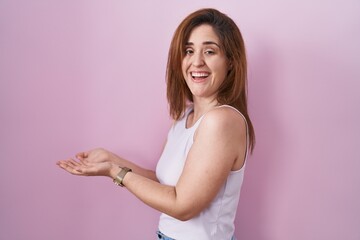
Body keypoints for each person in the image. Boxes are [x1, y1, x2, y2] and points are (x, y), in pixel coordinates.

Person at [57, 8, 255, 240]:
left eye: (210, 51)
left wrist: (114, 171)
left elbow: (183, 206)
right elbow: (165, 184)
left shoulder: (222, 121)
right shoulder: (185, 118)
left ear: (230, 61)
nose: (197, 61)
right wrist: (110, 159)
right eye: (188, 51)